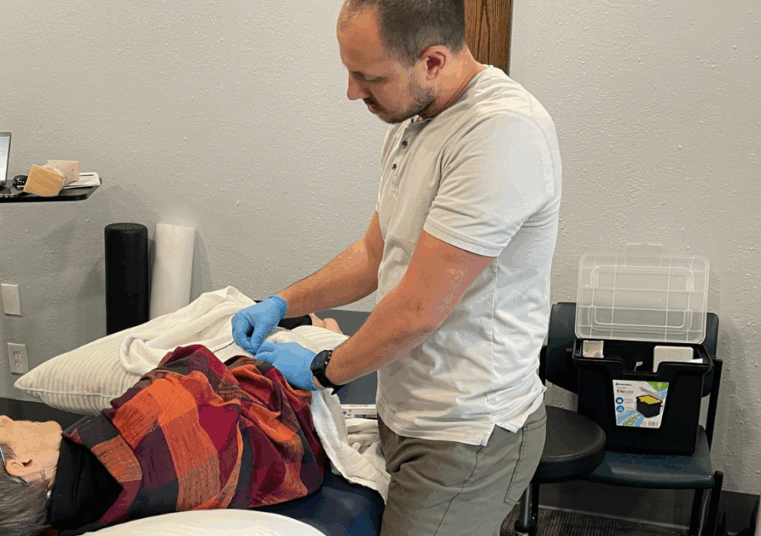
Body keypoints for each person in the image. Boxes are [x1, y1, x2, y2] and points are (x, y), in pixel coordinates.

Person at [232, 1, 561, 534]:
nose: (351, 91)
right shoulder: (416, 121)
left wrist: (320, 370)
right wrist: (282, 302)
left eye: (368, 76)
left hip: (465, 431)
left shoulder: (500, 135)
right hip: (406, 409)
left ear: (432, 61)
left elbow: (418, 309)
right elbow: (373, 254)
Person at [0, 343, 327, 536]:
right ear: (22, 465)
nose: (5, 416)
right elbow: (204, 370)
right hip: (293, 417)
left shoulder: (61, 519)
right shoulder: (152, 421)